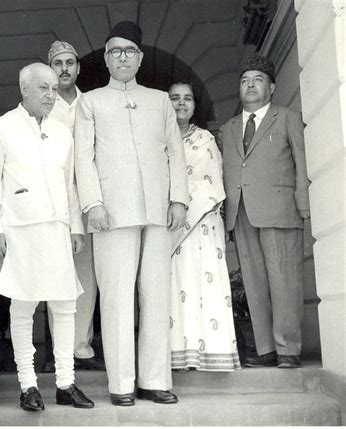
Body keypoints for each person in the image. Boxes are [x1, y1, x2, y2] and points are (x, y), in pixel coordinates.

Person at [74, 21, 188, 406]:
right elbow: (83, 158)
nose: (122, 57)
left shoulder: (159, 101)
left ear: (139, 58)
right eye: (115, 51)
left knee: (156, 295)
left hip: (158, 209)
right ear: (106, 58)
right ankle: (121, 383)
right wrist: (93, 204)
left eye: (129, 51)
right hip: (111, 212)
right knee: (117, 298)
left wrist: (179, 199)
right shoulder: (90, 102)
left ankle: (154, 379)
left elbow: (175, 152)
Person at [0, 63, 94, 411]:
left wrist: (75, 227)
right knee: (23, 306)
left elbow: (69, 184)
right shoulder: (2, 128)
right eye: (43, 88)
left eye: (54, 89)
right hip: (19, 230)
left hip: (57, 229)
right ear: (24, 89)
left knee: (65, 304)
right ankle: (28, 386)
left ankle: (65, 382)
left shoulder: (62, 132)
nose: (50, 95)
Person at [219, 54, 310, 369]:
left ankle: (288, 349)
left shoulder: (287, 118)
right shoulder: (228, 128)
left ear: (271, 87)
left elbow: (302, 164)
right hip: (241, 213)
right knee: (255, 282)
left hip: (280, 210)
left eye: (257, 80)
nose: (250, 86)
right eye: (244, 81)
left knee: (284, 279)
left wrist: (303, 206)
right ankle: (266, 349)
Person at [168, 82, 241, 372]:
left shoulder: (206, 139)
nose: (181, 104)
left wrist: (185, 201)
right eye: (175, 98)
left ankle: (212, 353)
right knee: (177, 285)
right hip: (170, 226)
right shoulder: (157, 139)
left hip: (202, 223)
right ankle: (179, 354)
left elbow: (214, 181)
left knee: (204, 284)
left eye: (187, 99)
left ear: (194, 106)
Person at [47, 40, 104, 371]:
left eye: (70, 62)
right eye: (58, 63)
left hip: (87, 198)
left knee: (87, 275)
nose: (65, 68)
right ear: (51, 68)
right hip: (53, 199)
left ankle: (80, 344)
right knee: (58, 274)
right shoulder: (41, 105)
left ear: (79, 68)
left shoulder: (90, 104)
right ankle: (61, 349)